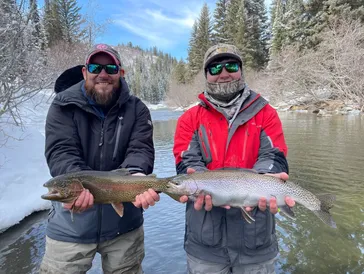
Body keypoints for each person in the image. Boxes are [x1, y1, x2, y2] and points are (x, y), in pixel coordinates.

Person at [172, 44, 295, 274]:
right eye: (215, 68)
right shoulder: (189, 119)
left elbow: (275, 156)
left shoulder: (266, 113)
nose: (223, 73)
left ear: (241, 70)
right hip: (204, 243)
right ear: (206, 76)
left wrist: (263, 178)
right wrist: (197, 181)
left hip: (256, 242)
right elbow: (186, 161)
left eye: (231, 65)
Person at [40, 43, 154, 274]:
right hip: (70, 225)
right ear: (84, 72)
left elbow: (140, 149)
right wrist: (77, 188)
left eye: (111, 68)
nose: (103, 74)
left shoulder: (137, 109)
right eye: (95, 67)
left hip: (125, 225)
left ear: (120, 73)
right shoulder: (63, 106)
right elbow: (61, 151)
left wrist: (136, 176)